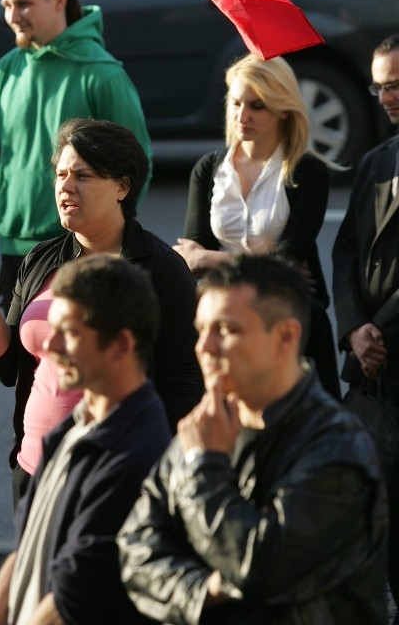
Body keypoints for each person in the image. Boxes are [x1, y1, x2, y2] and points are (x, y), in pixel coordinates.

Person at [118, 254, 389, 625]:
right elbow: (135, 550)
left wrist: (205, 467)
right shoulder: (204, 427)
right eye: (201, 330)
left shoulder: (338, 448)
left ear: (286, 336)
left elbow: (259, 566)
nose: (205, 348)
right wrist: (201, 591)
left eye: (226, 330)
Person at [0, 118, 202, 502]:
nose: (66, 186)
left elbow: (183, 387)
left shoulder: (160, 269)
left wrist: (158, 479)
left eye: (82, 176)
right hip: (34, 471)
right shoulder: (41, 258)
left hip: (116, 479)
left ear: (122, 186)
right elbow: (8, 367)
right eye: (61, 174)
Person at [0, 253, 172, 625]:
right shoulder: (72, 429)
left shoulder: (135, 455)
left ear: (120, 346)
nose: (50, 349)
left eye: (69, 334)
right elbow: (27, 548)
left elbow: (71, 597)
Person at [0, 0, 152, 311]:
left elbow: (138, 163)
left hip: (81, 247)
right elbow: (4, 153)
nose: (11, 16)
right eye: (6, 5)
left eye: (23, 4)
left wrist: (114, 241)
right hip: (16, 248)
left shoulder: (103, 74)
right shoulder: (3, 72)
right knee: (22, 362)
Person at [173, 53, 340, 398]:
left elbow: (288, 259)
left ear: (283, 109)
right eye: (236, 103)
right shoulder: (208, 169)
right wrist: (265, 264)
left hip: (286, 311)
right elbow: (191, 256)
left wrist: (213, 259)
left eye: (257, 106)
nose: (242, 116)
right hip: (222, 310)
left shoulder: (307, 173)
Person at [333, 32, 399, 614]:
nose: (385, 96)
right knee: (366, 509)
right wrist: (355, 328)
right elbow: (346, 250)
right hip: (373, 376)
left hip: (391, 350)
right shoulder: (376, 161)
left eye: (396, 84)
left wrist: (380, 327)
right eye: (379, 84)